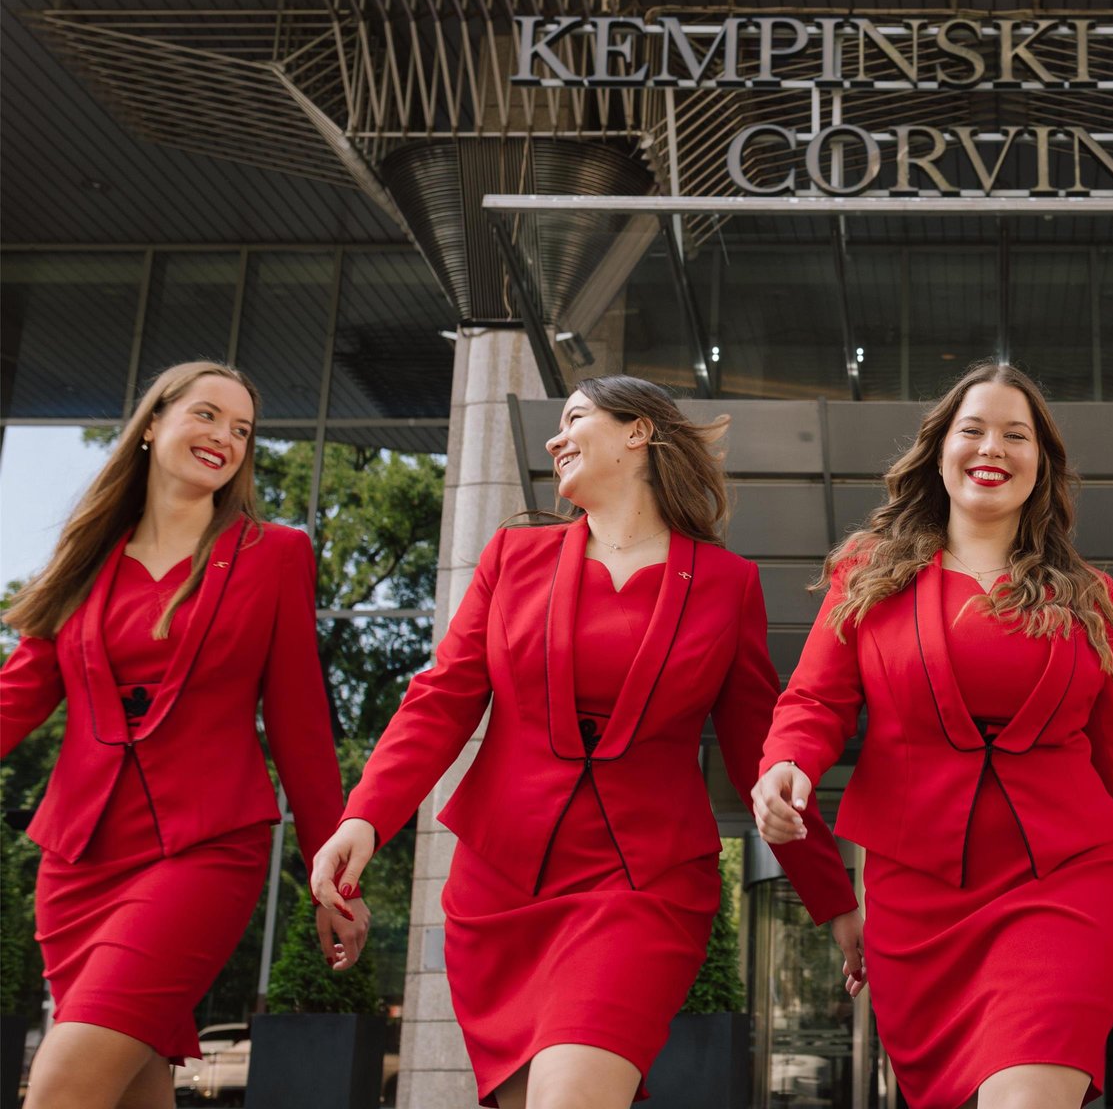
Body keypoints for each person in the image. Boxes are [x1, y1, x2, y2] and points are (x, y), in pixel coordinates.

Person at [308, 376, 860, 1109]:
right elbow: (440, 701)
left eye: (575, 418)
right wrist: (364, 818)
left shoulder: (727, 586)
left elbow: (764, 754)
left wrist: (835, 899)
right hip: (498, 891)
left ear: (638, 432)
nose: (554, 438)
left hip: (643, 887)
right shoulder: (512, 557)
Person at [752, 361, 1113, 1109]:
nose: (994, 447)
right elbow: (814, 701)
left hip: (1068, 885)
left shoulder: (1091, 598)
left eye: (1018, 435)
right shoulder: (866, 578)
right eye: (973, 429)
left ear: (1040, 466)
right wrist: (787, 764)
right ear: (938, 451)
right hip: (918, 903)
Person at [1, 361, 356, 1109]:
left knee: (61, 1090)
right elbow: (17, 696)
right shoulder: (87, 559)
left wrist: (335, 876)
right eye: (206, 415)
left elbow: (301, 725)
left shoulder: (275, 556)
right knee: (133, 1092)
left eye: (242, 430)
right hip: (78, 862)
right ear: (153, 424)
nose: (225, 437)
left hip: (204, 851)